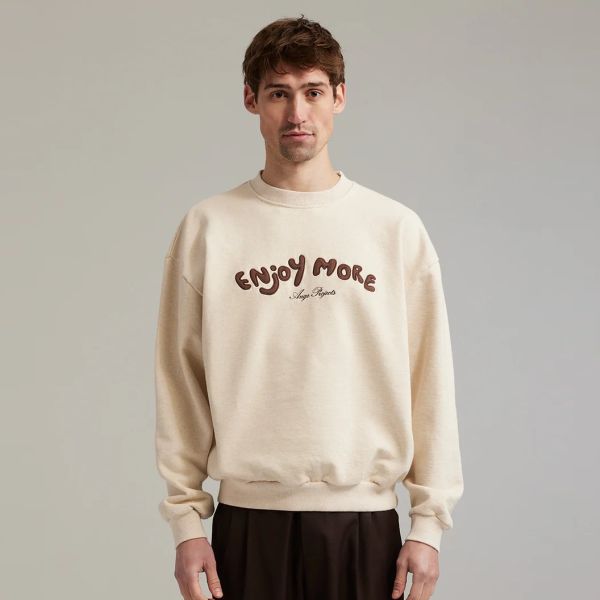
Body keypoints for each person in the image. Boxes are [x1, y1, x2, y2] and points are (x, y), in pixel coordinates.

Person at [154, 14, 464, 600]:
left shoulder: (394, 229)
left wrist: (429, 524)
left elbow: (431, 380)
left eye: (313, 92)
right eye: (279, 93)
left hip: (365, 524)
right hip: (248, 523)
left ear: (339, 97)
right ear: (251, 100)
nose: (297, 113)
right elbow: (180, 381)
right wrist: (187, 521)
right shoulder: (208, 229)